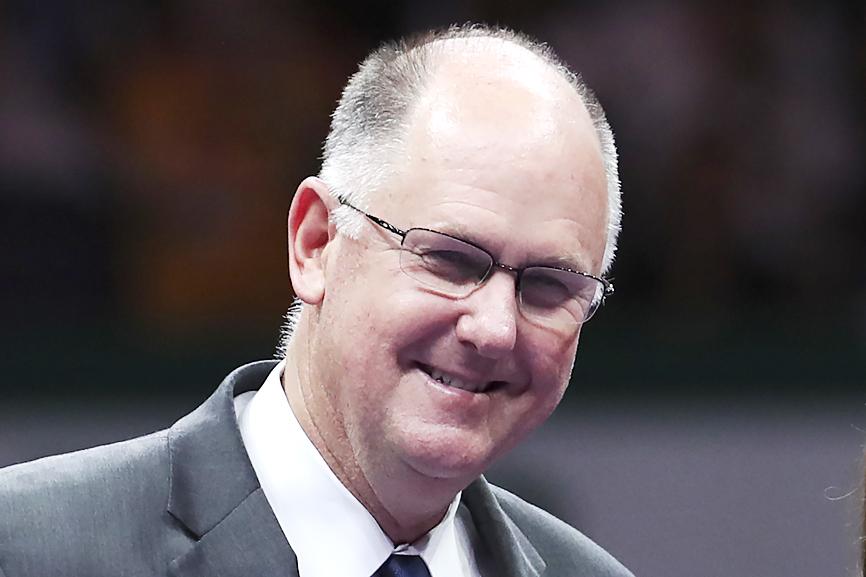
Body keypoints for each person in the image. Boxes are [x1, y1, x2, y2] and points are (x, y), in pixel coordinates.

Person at [0, 24, 631, 577]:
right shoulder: (30, 548)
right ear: (316, 243)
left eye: (548, 285)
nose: (494, 328)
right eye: (449, 259)